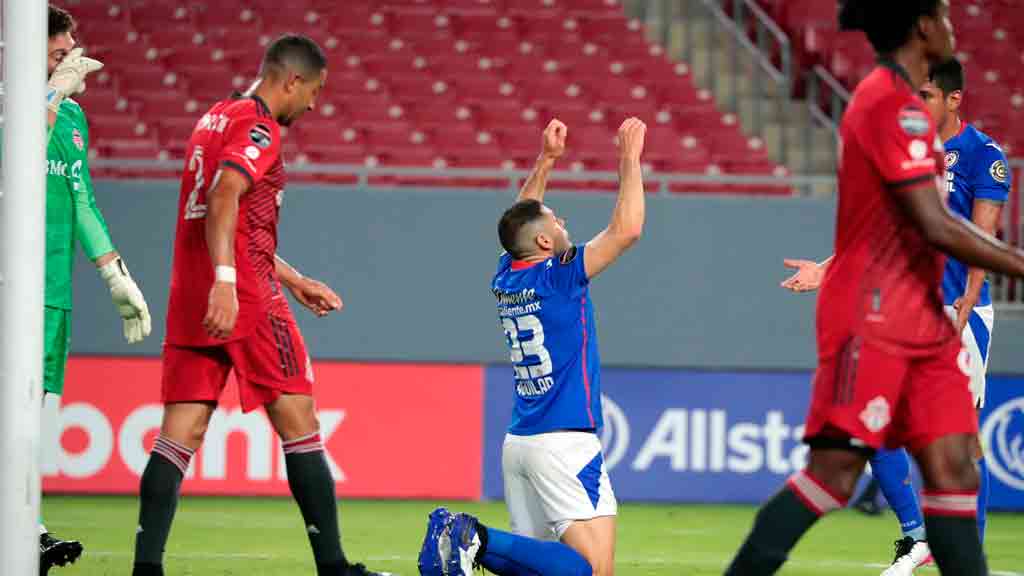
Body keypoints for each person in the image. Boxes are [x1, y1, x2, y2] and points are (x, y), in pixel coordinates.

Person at [727, 0, 1024, 574]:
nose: (951, 24)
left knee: (956, 464)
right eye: (941, 14)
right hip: (874, 316)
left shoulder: (915, 117)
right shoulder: (890, 106)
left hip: (924, 319)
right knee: (834, 474)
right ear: (921, 27)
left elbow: (898, 223)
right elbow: (935, 226)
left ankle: (927, 545)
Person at [129, 35, 387, 576]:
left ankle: (145, 569)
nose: (314, 104)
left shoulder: (213, 118)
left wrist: (292, 278)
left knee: (179, 433)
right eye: (314, 91)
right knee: (300, 419)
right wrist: (228, 281)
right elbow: (224, 196)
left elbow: (232, 219)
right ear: (291, 80)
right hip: (242, 295)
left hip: (192, 291)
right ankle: (334, 568)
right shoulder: (260, 126)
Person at [781, 57, 1010, 576]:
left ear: (953, 100)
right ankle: (916, 535)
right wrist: (825, 268)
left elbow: (984, 239)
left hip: (958, 314)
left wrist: (966, 305)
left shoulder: (982, 156)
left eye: (926, 95)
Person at [418, 117, 647, 576]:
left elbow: (519, 218)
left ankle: (471, 542)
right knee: (593, 569)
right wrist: (629, 160)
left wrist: (547, 159)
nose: (563, 222)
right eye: (556, 221)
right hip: (563, 443)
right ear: (545, 241)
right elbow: (626, 231)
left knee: (540, 569)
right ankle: (471, 536)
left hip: (521, 443)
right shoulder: (558, 276)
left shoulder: (508, 275)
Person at [39, 5, 151, 574]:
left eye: (70, 58)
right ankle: (26, 532)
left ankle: (23, 528)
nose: (70, 66)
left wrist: (115, 274)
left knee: (39, 427)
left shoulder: (74, 118)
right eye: (60, 56)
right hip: (12, 292)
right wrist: (50, 96)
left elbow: (81, 199)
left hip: (55, 292)